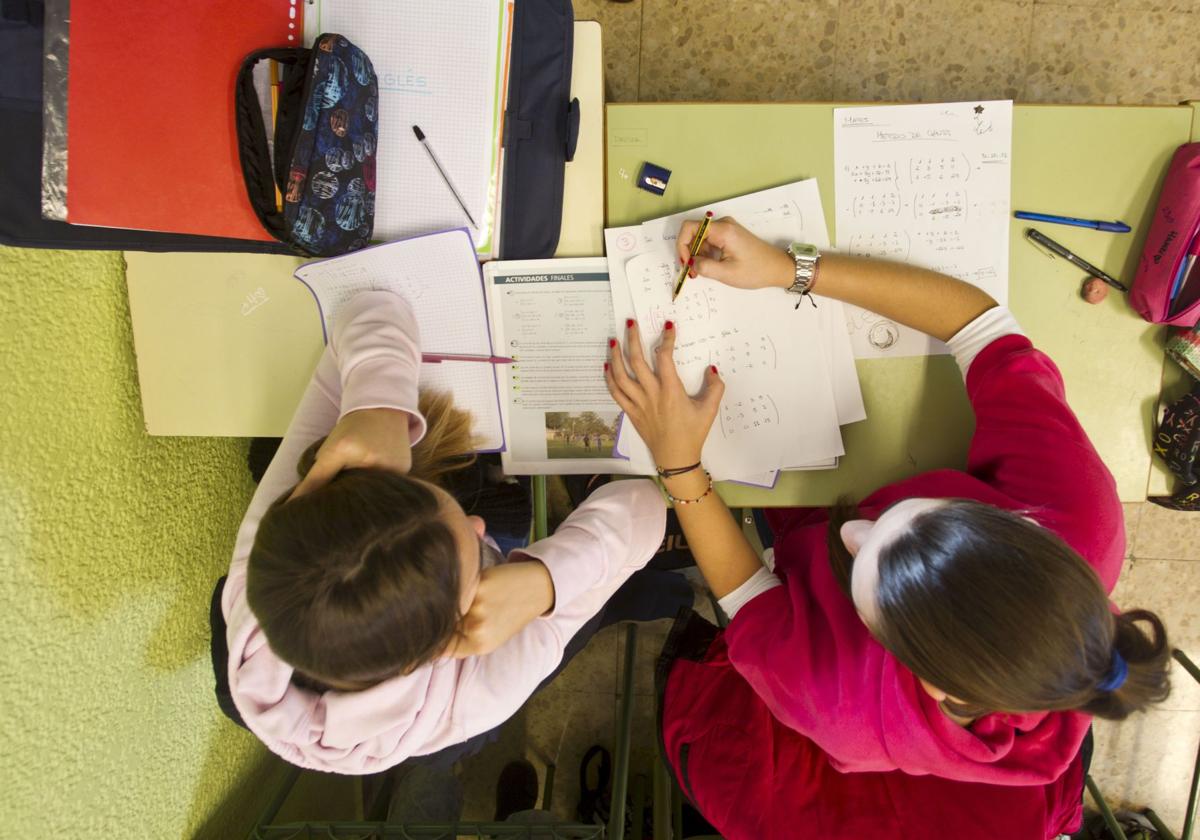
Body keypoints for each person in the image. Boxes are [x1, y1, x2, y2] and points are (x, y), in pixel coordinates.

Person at [605, 218, 1173, 836]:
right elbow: (980, 326)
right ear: (1020, 529)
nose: (851, 530)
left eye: (866, 575)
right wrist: (787, 269)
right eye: (916, 516)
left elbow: (748, 595)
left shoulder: (836, 699)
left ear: (927, 682)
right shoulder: (1080, 520)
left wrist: (681, 464)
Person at [219, 289, 685, 774]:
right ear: (450, 637)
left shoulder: (282, 557)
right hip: (467, 685)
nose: (475, 525)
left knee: (509, 495)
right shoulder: (486, 686)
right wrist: (545, 583)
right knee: (546, 544)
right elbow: (647, 506)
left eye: (434, 500)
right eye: (467, 539)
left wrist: (373, 410)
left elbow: (370, 308)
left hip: (335, 643)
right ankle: (621, 601)